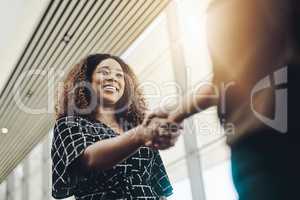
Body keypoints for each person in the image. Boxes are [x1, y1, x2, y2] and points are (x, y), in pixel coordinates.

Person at [146, 0, 300, 199]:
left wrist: (174, 114)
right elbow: (226, 82)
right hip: (263, 147)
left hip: (259, 147)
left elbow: (226, 82)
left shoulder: (223, 9)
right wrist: (174, 114)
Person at [51, 54, 181, 200]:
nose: (113, 78)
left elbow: (158, 188)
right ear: (86, 81)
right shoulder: (69, 124)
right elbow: (89, 159)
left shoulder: (136, 127)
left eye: (119, 75)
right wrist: (141, 135)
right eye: (104, 72)